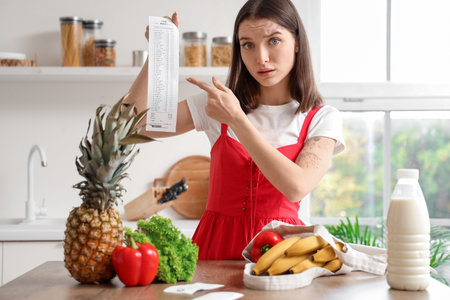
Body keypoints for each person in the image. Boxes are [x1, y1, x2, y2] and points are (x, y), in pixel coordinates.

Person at [126, 0, 345, 260]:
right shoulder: (216, 103)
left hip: (279, 255)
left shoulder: (321, 118)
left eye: (273, 41)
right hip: (212, 250)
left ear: (297, 42)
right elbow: (132, 125)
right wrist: (158, 54)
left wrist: (237, 120)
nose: (261, 57)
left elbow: (296, 186)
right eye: (248, 44)